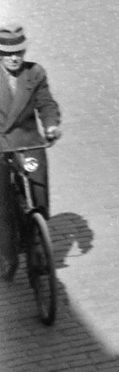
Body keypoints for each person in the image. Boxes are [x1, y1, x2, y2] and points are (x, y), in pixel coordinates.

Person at [0, 24, 61, 276]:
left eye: (18, 52)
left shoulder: (35, 73)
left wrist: (51, 125)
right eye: (7, 53)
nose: (14, 58)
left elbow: (46, 103)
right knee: (3, 203)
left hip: (29, 143)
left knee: (39, 191)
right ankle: (8, 255)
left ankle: (38, 244)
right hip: (1, 146)